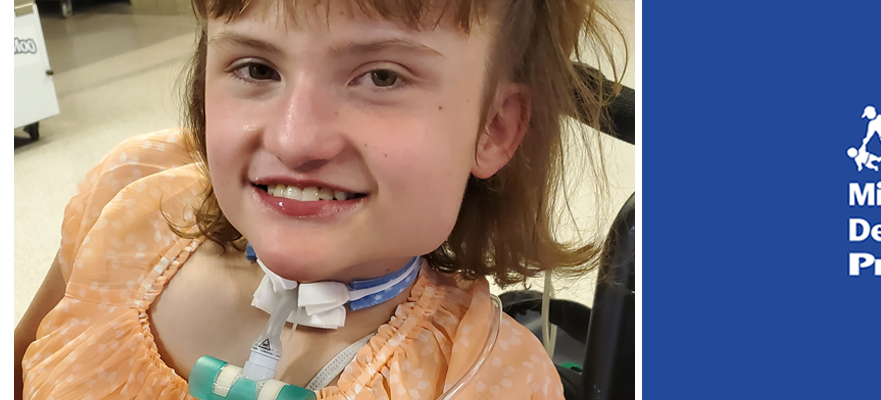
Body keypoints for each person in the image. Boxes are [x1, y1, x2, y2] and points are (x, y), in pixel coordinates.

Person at [14, 0, 627, 398]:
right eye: (256, 68)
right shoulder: (131, 199)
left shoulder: (485, 380)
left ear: (493, 127)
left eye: (382, 77)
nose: (294, 139)